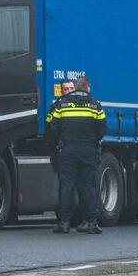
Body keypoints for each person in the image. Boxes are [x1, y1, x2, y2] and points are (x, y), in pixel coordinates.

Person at [47, 76, 107, 234]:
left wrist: (57, 145)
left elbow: (53, 128)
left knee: (67, 185)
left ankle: (64, 223)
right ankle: (92, 223)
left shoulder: (61, 105)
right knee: (88, 186)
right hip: (88, 150)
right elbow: (103, 128)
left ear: (75, 88)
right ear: (87, 88)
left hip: (68, 150)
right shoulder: (95, 105)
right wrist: (93, 140)